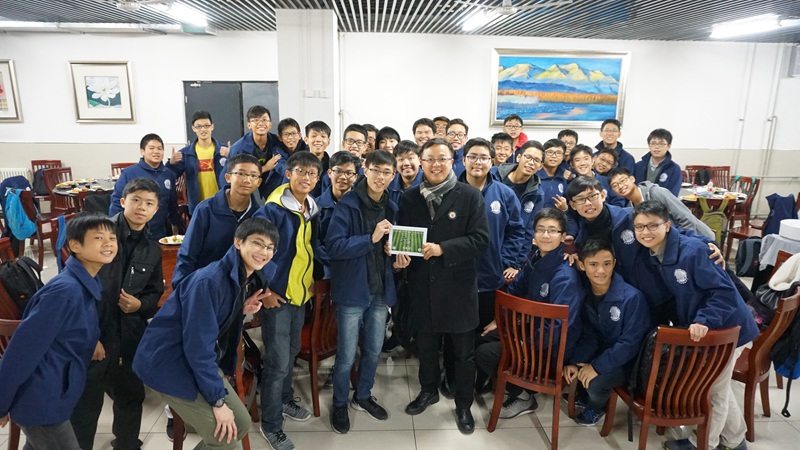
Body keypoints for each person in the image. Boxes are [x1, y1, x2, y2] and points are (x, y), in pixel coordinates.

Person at [133, 218, 277, 450]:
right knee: (225, 439)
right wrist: (217, 401)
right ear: (238, 242)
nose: (264, 252)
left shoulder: (241, 275)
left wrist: (239, 309)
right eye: (257, 243)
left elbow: (208, 327)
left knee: (240, 424)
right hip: (167, 362)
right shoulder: (210, 281)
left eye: (270, 247)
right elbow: (198, 347)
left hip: (193, 357)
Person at [632, 201, 758, 450]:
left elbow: (723, 293)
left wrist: (703, 320)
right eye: (639, 227)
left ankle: (703, 444)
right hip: (711, 330)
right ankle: (735, 441)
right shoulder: (658, 252)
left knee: (711, 390)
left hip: (728, 329)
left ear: (667, 225)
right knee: (718, 387)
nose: (646, 232)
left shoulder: (693, 252)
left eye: (652, 225)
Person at [0, 213, 117, 449]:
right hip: (42, 400)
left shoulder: (86, 283)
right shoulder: (65, 292)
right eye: (98, 238)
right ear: (75, 245)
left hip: (55, 392)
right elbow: (22, 351)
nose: (108, 244)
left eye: (112, 238)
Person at [398, 138, 489, 435]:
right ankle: (428, 390)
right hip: (422, 286)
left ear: (453, 161)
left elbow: (480, 240)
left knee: (463, 353)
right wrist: (399, 256)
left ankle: (463, 404)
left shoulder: (469, 195)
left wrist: (443, 249)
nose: (435, 165)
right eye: (429, 159)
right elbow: (404, 238)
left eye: (442, 159)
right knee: (425, 347)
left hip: (458, 289)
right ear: (420, 162)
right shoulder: (409, 197)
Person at [71, 179, 164, 450]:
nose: (141, 207)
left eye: (149, 203)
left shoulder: (151, 248)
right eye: (136, 200)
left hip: (129, 335)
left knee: (130, 395)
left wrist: (140, 305)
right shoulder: (100, 236)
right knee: (87, 402)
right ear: (123, 201)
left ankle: (126, 444)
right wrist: (90, 337)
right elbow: (75, 291)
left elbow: (154, 293)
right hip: (96, 334)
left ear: (156, 210)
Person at [326, 150, 410, 434]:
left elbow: (392, 249)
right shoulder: (347, 205)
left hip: (380, 291)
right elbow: (334, 247)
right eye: (376, 170)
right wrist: (370, 238)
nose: (381, 177)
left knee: (374, 350)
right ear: (365, 170)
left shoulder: (391, 206)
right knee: (346, 355)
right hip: (352, 291)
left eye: (387, 173)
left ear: (393, 175)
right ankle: (340, 403)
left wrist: (395, 257)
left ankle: (362, 395)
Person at [475, 208, 584, 420]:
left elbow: (557, 328)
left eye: (552, 230)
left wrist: (525, 345)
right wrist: (500, 319)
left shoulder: (564, 277)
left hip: (551, 349)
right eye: (540, 229)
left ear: (563, 236)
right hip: (532, 331)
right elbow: (515, 288)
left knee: (485, 353)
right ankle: (501, 381)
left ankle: (524, 396)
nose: (545, 235)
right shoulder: (535, 258)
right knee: (481, 337)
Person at [254, 152, 322, 450]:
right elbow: (254, 252)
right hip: (278, 296)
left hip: (299, 294)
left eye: (312, 174)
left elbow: (305, 250)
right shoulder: (273, 210)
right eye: (301, 171)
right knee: (277, 362)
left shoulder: (310, 207)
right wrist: (266, 290)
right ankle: (271, 425)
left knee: (291, 352)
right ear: (288, 173)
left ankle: (283, 400)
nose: (306, 178)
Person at [458, 137, 526, 393]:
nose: (478, 162)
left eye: (484, 157)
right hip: (457, 278)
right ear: (463, 160)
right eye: (473, 157)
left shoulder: (504, 194)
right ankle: (456, 376)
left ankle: (482, 376)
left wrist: (505, 262)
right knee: (457, 334)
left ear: (493, 161)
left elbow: (517, 231)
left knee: (484, 331)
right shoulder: (451, 191)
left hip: (490, 278)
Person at [564, 239, 650, 426]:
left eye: (607, 264)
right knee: (575, 368)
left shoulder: (632, 298)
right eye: (593, 264)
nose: (601, 271)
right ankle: (586, 393)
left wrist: (597, 367)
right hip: (603, 353)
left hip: (628, 363)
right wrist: (575, 362)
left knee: (595, 384)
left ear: (614, 263)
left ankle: (596, 407)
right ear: (582, 265)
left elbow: (630, 344)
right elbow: (589, 334)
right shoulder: (586, 294)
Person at [172, 153, 264, 287]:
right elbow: (187, 254)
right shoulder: (205, 210)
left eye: (253, 175)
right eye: (241, 173)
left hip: (240, 287)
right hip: (205, 284)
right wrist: (181, 288)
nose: (247, 180)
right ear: (228, 177)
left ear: (259, 182)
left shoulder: (259, 215)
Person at [607, 167, 714, 240]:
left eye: (622, 181)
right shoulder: (630, 208)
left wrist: (687, 244)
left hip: (699, 238)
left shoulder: (656, 192)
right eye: (615, 185)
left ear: (632, 179)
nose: (620, 186)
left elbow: (686, 218)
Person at [109, 133, 181, 241]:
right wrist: (115, 228)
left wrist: (175, 223)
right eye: (151, 148)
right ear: (142, 151)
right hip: (133, 232)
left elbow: (172, 202)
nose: (156, 152)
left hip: (159, 231)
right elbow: (116, 200)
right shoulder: (129, 173)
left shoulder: (168, 174)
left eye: (159, 148)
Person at [166, 110, 229, 215]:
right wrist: (171, 164)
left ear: (212, 126)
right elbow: (169, 177)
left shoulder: (224, 151)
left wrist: (231, 156)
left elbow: (238, 172)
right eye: (199, 126)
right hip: (197, 207)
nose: (203, 129)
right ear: (193, 128)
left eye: (206, 126)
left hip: (222, 204)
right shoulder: (186, 153)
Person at [316, 151, 361, 280]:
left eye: (348, 173)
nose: (343, 177)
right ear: (329, 173)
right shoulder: (316, 206)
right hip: (325, 271)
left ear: (356, 177)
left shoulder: (362, 205)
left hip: (355, 270)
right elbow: (314, 242)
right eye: (338, 171)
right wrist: (332, 261)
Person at [225, 105, 282, 203]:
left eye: (264, 120)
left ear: (270, 124)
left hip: (270, 183)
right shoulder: (239, 148)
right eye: (256, 120)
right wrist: (265, 167)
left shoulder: (276, 142)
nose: (261, 123)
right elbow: (234, 176)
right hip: (243, 182)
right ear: (249, 125)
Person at [495, 140, 547, 244]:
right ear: (518, 157)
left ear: (540, 166)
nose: (531, 163)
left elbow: (528, 231)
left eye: (536, 160)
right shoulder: (494, 176)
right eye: (528, 157)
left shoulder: (537, 194)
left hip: (510, 246)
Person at [262, 118, 311, 197]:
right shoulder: (276, 151)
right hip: (276, 191)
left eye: (293, 133)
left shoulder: (307, 150)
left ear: (299, 135)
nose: (290, 137)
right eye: (286, 134)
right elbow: (282, 168)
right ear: (280, 138)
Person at [633, 128, 682, 196]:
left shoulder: (674, 169)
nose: (656, 147)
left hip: (663, 203)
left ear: (669, 146)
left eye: (661, 144)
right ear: (649, 145)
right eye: (653, 143)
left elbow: (672, 195)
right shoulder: (638, 166)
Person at [536, 138, 569, 210]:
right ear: (543, 154)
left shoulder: (563, 177)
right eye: (550, 152)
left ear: (563, 157)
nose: (554, 156)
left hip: (556, 216)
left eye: (558, 153)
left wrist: (565, 208)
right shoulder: (534, 174)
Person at [387, 140, 422, 205]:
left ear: (420, 160)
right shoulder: (389, 183)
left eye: (410, 158)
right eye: (401, 159)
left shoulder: (429, 183)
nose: (406, 163)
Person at [304, 120, 332, 199]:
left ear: (328, 141)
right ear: (306, 140)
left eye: (323, 136)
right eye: (314, 136)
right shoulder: (298, 164)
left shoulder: (332, 166)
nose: (318, 140)